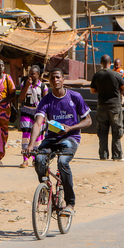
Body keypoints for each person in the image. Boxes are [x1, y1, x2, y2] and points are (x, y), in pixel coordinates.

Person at [25, 68, 91, 215]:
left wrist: (71, 128)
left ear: (63, 79)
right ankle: (45, 188)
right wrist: (30, 144)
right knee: (39, 159)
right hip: (51, 138)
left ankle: (70, 203)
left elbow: (88, 120)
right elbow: (37, 123)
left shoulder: (75, 97)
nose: (55, 80)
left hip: (71, 137)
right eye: (52, 78)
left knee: (62, 163)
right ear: (49, 81)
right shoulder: (46, 100)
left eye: (57, 77)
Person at [90, 55, 124, 161]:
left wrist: (101, 90)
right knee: (116, 130)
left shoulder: (97, 75)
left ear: (101, 63)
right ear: (110, 63)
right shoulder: (116, 74)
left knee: (102, 131)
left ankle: (103, 155)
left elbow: (92, 90)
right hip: (115, 106)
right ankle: (116, 155)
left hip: (101, 106)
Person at [18, 65, 48, 168]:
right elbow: (21, 99)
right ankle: (25, 159)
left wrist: (45, 116)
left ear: (38, 75)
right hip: (26, 110)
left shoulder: (43, 87)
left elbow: (45, 102)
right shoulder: (24, 84)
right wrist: (26, 86)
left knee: (37, 136)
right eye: (29, 73)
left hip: (38, 112)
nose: (30, 75)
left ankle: (35, 158)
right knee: (26, 133)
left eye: (32, 73)